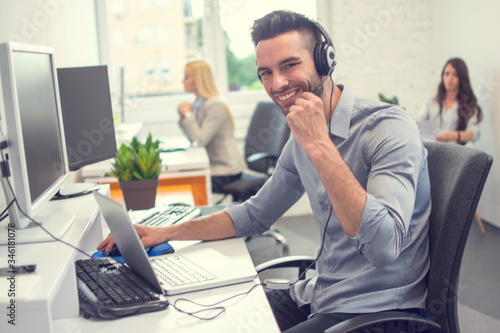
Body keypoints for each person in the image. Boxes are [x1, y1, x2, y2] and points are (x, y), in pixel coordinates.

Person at [99, 11, 430, 332]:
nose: (278, 83)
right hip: (319, 294)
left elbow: (384, 246)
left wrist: (320, 146)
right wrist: (167, 232)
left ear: (324, 60)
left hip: (378, 312)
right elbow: (253, 216)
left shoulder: (387, 128)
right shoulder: (300, 139)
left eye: (289, 65)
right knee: (210, 319)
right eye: (265, 73)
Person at [177, 60, 245, 193]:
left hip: (227, 170)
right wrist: (183, 118)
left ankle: (202, 213)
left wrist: (188, 114)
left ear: (198, 79)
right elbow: (193, 139)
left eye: (186, 77)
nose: (182, 81)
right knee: (185, 178)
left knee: (189, 182)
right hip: (214, 166)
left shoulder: (215, 105)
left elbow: (200, 140)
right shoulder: (199, 104)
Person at [416, 57, 482, 145]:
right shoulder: (430, 102)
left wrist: (454, 135)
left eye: (455, 75)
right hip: (433, 152)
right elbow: (417, 123)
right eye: (447, 74)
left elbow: (475, 132)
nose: (450, 78)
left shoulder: (468, 105)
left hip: (456, 153)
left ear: (461, 78)